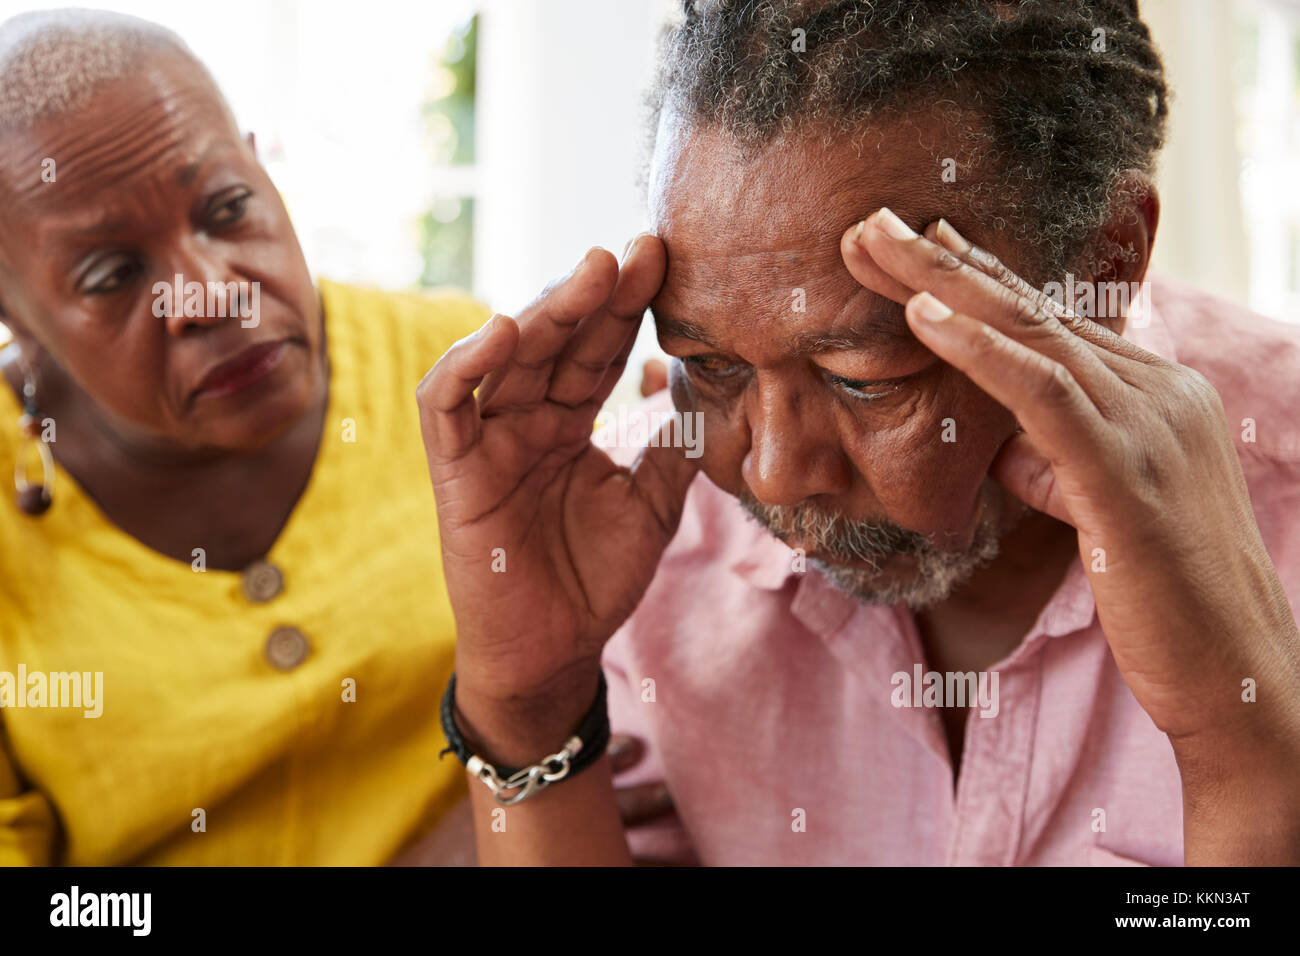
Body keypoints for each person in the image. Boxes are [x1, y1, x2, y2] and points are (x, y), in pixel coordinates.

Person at [418, 0, 1300, 865]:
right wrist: (531, 707)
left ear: (1103, 268)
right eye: (711, 364)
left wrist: (1243, 741)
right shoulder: (631, 527)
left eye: (863, 380)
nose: (772, 474)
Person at [0, 8, 485, 866]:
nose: (209, 293)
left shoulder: (467, 372)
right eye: (113, 274)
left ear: (264, 171)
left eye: (227, 209)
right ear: (17, 319)